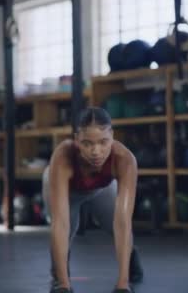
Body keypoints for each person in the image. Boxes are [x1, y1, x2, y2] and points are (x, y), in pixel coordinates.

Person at [43, 107, 144, 293]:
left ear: (112, 136)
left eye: (103, 142)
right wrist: (64, 287)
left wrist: (123, 285)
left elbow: (123, 222)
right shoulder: (63, 156)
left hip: (101, 189)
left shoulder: (125, 159)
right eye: (87, 143)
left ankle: (131, 256)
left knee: (115, 225)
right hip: (68, 192)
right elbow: (61, 223)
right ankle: (60, 274)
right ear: (76, 140)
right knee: (67, 231)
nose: (96, 151)